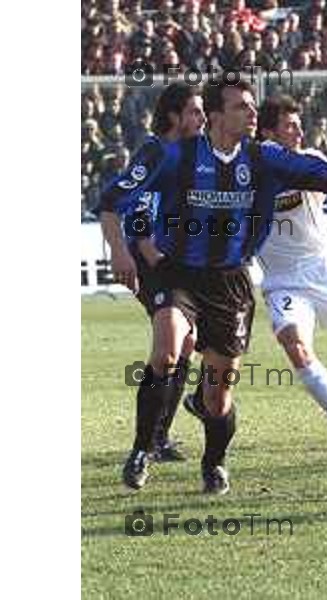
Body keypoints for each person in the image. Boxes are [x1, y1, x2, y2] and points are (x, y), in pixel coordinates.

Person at [100, 77, 327, 495]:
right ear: (215, 115)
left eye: (252, 106)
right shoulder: (174, 156)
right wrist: (120, 251)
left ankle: (214, 462)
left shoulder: (264, 159)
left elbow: (325, 174)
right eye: (241, 107)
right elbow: (110, 201)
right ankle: (142, 449)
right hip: (179, 274)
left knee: (217, 397)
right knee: (168, 349)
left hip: (231, 283)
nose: (252, 113)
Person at [255, 95, 327, 449]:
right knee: (293, 342)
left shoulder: (310, 160)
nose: (299, 130)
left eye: (298, 122)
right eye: (289, 125)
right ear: (268, 133)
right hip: (283, 281)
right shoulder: (249, 173)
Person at [109, 82, 206, 464]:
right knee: (171, 345)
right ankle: (148, 442)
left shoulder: (185, 153)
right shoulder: (154, 150)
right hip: (152, 261)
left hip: (172, 259)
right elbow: (132, 202)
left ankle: (158, 438)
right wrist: (145, 250)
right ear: (174, 117)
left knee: (185, 343)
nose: (200, 118)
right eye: (195, 112)